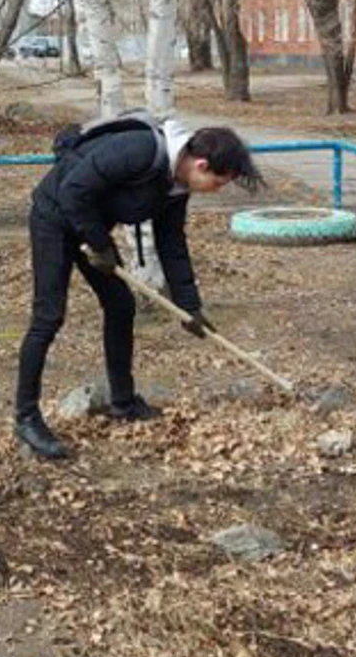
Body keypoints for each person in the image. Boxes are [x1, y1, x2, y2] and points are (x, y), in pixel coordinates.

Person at [13, 117, 264, 461]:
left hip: (90, 225)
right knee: (48, 316)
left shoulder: (175, 187)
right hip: (55, 217)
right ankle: (26, 418)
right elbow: (73, 191)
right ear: (201, 165)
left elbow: (171, 243)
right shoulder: (139, 150)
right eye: (217, 183)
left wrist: (190, 307)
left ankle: (123, 402)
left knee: (120, 305)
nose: (215, 190)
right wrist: (100, 245)